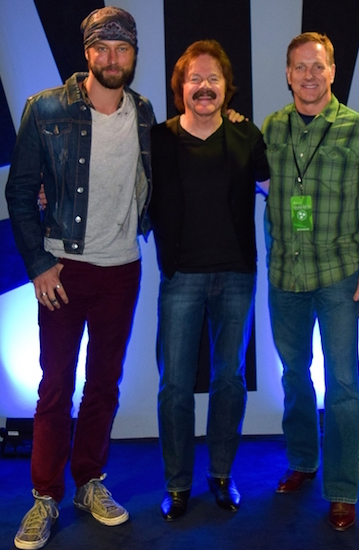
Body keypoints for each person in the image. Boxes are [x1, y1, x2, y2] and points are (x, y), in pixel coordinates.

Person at [5, 7, 155, 549]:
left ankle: (89, 481)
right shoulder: (44, 109)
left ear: (133, 54)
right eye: (102, 48)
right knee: (55, 386)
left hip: (122, 271)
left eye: (123, 49)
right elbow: (20, 193)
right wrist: (40, 265)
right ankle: (44, 497)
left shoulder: (143, 112)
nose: (112, 58)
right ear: (87, 53)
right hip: (63, 270)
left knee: (104, 385)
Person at [262, 32, 359, 531]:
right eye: (299, 67)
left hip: (338, 276)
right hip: (284, 276)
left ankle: (341, 489)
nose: (309, 76)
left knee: (341, 384)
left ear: (332, 72)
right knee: (294, 377)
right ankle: (302, 461)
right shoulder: (272, 128)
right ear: (288, 74)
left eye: (318, 66)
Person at [149, 39, 270, 521]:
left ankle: (221, 475)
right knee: (174, 387)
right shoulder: (157, 139)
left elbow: (277, 191)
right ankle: (177, 485)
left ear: (227, 89)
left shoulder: (247, 136)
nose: (204, 86)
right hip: (180, 278)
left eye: (213, 79)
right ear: (180, 88)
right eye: (194, 79)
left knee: (229, 381)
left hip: (237, 276)